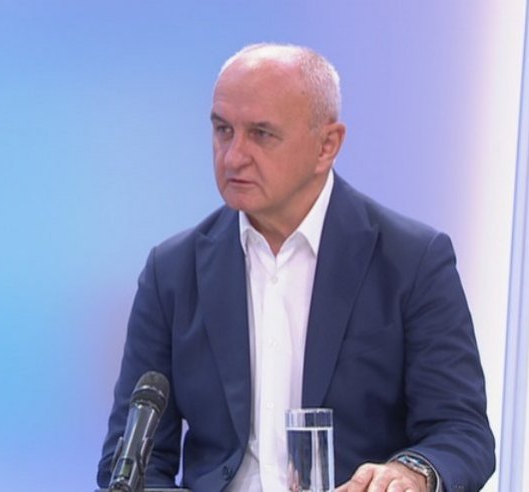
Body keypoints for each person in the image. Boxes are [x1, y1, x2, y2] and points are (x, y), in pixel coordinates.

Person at [97, 43, 495, 491]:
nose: (233, 156)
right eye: (223, 130)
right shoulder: (172, 271)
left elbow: (462, 433)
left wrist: (411, 473)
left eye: (261, 134)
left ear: (327, 145)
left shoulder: (411, 261)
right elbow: (129, 461)